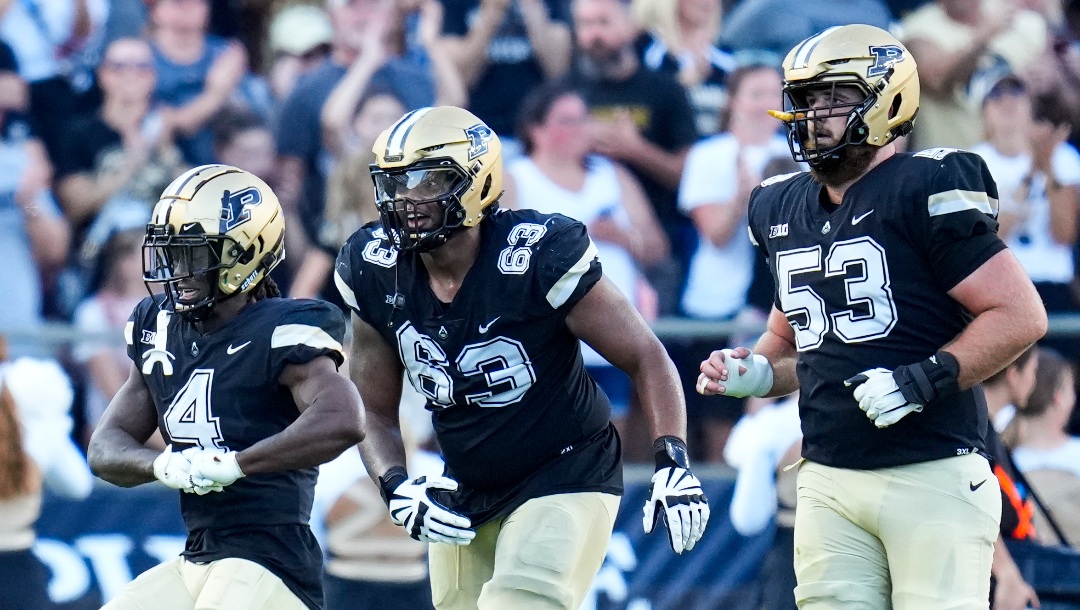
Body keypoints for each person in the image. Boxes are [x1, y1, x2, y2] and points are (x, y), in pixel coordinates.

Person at [696, 25, 1048, 609]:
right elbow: (796, 342)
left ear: (887, 99)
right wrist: (753, 371)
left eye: (833, 97)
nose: (814, 115)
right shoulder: (780, 204)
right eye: (806, 99)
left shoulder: (926, 185)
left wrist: (922, 379)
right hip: (828, 474)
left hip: (931, 470)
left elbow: (1020, 315)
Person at [334, 106, 709, 610]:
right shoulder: (373, 268)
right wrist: (395, 486)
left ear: (478, 181)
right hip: (466, 481)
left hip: (564, 470)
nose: (408, 199)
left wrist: (673, 458)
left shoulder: (536, 253)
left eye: (428, 180)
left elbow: (645, 354)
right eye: (396, 182)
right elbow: (372, 408)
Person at [86, 164, 366, 610]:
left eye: (193, 255)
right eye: (171, 253)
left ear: (245, 253)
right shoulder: (160, 326)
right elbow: (105, 446)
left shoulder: (280, 328)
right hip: (199, 556)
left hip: (273, 561)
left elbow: (344, 419)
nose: (178, 271)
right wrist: (161, 465)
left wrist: (238, 463)